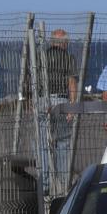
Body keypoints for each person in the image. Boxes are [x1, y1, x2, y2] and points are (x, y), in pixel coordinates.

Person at [40, 30, 79, 195]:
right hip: (62, 101)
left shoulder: (41, 57)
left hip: (42, 100)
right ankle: (63, 184)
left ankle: (45, 183)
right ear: (64, 43)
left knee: (43, 143)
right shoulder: (68, 58)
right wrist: (72, 106)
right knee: (63, 143)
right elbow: (71, 82)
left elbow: (32, 81)